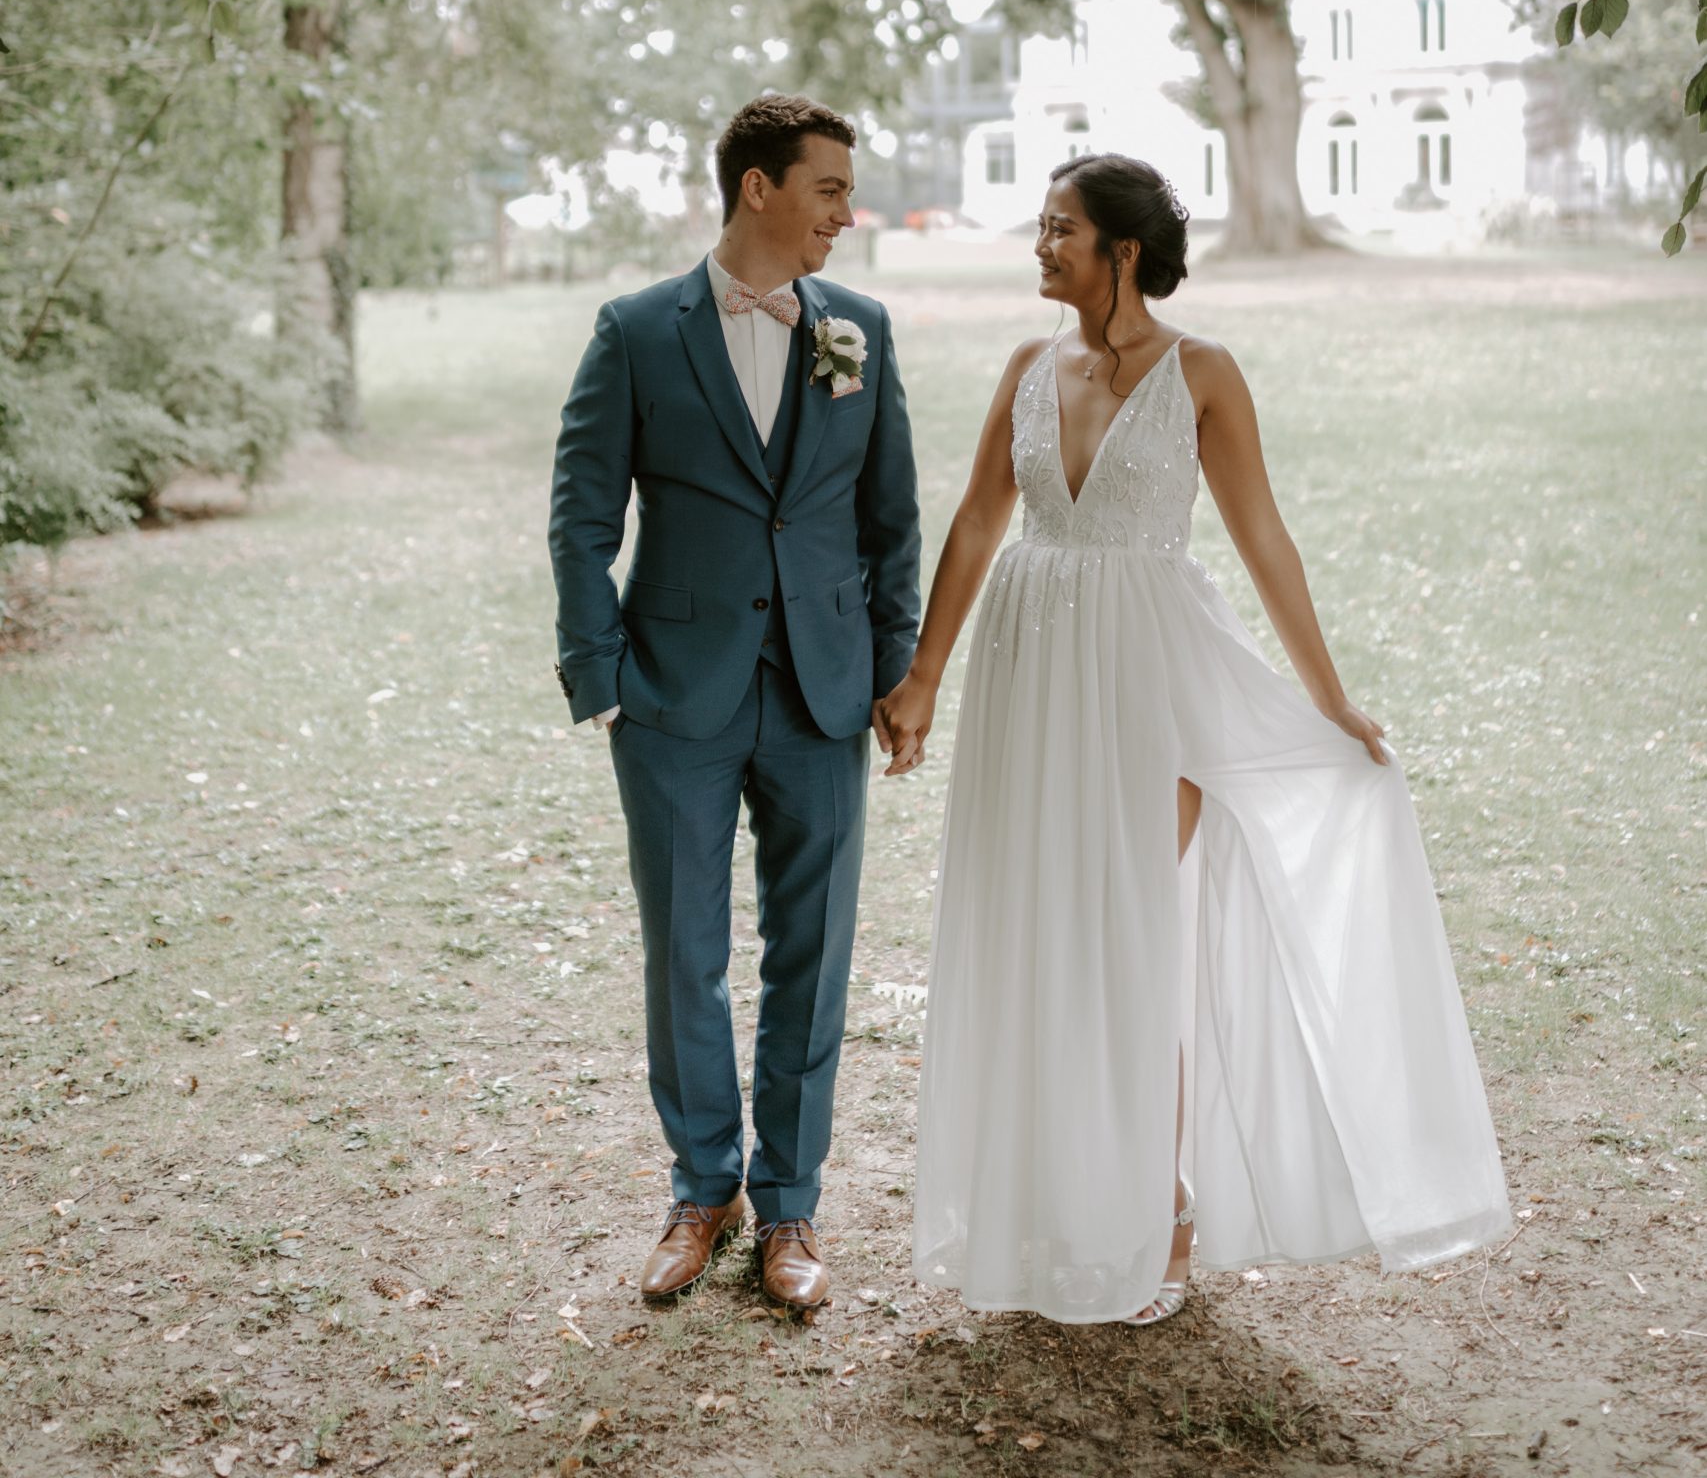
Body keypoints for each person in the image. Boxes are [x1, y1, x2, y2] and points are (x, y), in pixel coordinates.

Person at [883, 154, 1511, 1326]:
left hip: (1149, 675)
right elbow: (976, 522)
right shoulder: (1026, 366)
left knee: (1128, 940)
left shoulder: (1204, 373)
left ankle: (1158, 1209)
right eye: (1041, 227)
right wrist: (923, 674)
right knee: (1034, 933)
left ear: (1121, 251)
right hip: (1028, 670)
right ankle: (1043, 1204)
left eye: (1059, 229)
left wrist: (1329, 698)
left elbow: (1262, 535)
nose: (1039, 245)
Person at [549, 94, 921, 1313]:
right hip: (674, 697)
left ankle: (791, 1202)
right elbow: (581, 516)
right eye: (829, 189)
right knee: (685, 955)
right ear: (758, 186)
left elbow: (891, 517)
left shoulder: (858, 328)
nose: (846, 214)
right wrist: (602, 677)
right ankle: (701, 1189)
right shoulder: (635, 331)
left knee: (813, 955)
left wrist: (896, 668)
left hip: (824, 693)